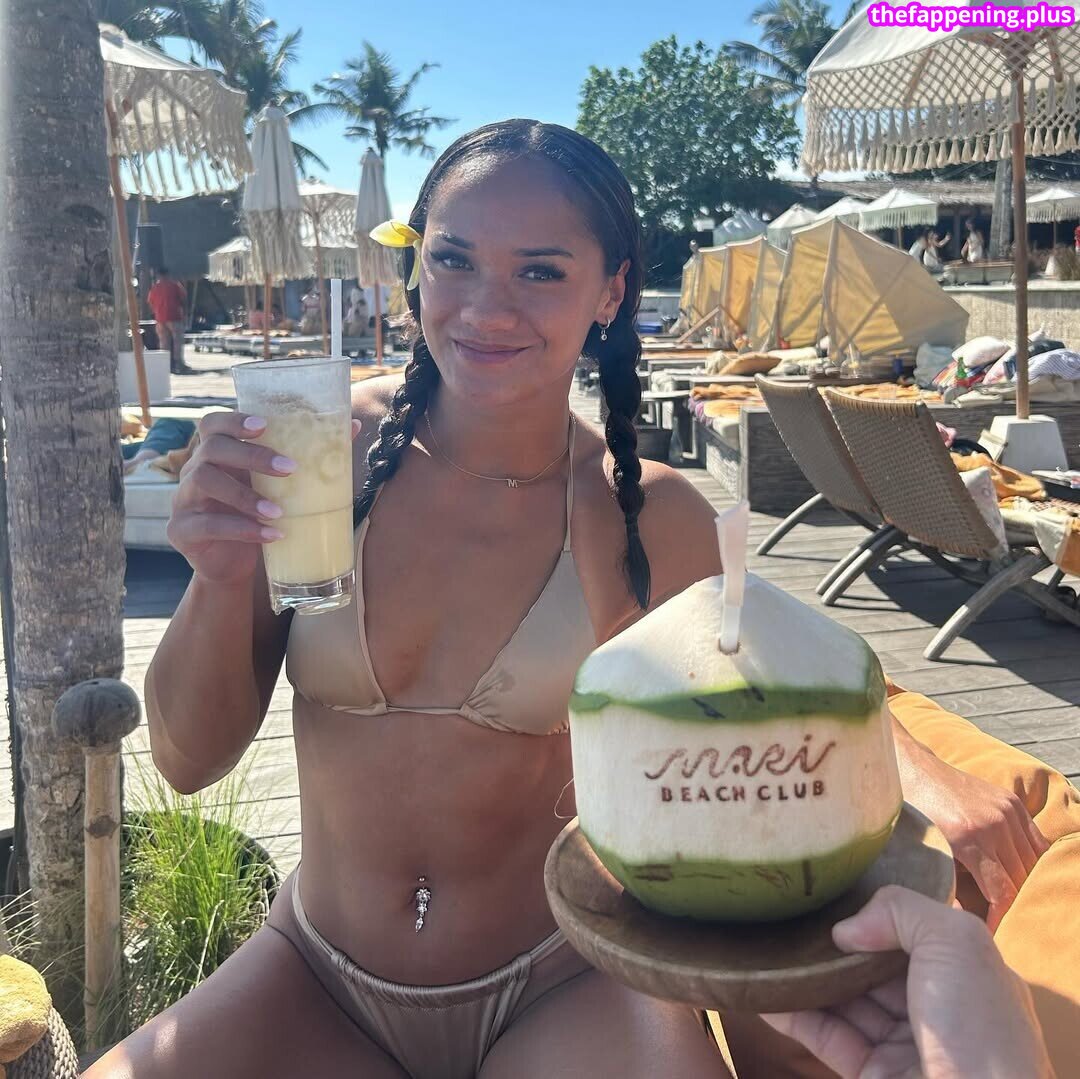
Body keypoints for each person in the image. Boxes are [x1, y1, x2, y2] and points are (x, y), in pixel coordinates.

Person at [87, 121, 1050, 1078]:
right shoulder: (321, 454)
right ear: (417, 266)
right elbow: (185, 760)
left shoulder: (641, 513)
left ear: (611, 292)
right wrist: (220, 577)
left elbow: (776, 666)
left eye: (541, 271)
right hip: (315, 975)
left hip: (566, 980)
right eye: (454, 259)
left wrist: (925, 775)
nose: (485, 308)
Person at [147, 267, 190, 375]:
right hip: (174, 317)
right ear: (168, 274)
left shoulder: (154, 288)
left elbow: (150, 302)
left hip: (160, 319)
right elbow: (183, 299)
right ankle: (178, 364)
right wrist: (185, 314)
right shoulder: (175, 285)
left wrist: (156, 311)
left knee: (164, 343)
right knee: (177, 342)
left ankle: (165, 366)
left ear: (159, 276)